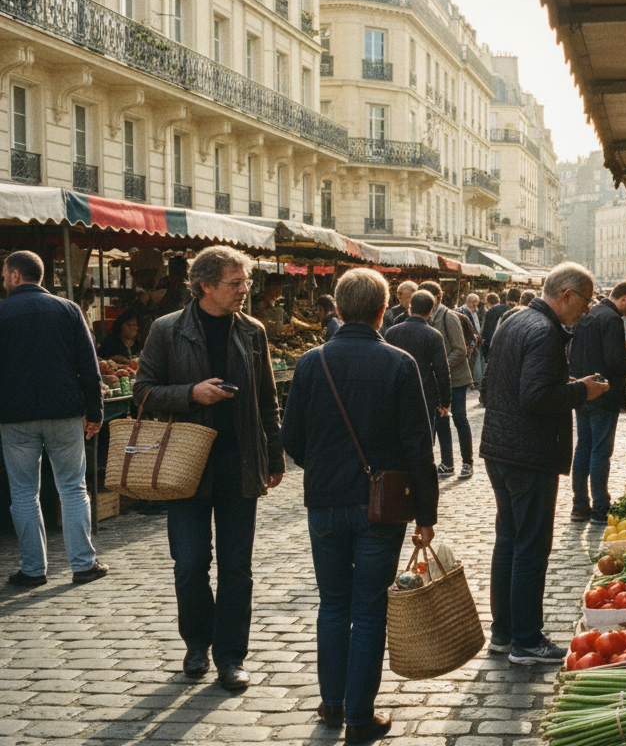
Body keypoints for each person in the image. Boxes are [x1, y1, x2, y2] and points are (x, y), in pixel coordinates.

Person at [281, 268, 438, 742]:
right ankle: (358, 715)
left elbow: (292, 438)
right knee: (368, 608)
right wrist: (426, 515)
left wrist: (323, 467)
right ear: (380, 311)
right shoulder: (398, 363)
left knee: (333, 604)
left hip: (325, 501)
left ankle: (331, 703)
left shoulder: (311, 362)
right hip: (381, 507)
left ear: (339, 308)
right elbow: (418, 445)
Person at [134, 245, 285, 689]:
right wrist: (189, 394)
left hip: (239, 462)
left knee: (237, 567)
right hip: (185, 466)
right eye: (235, 283)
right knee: (190, 563)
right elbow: (142, 390)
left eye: (246, 282)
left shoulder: (253, 330)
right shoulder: (167, 330)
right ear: (205, 286)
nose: (244, 290)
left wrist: (274, 457)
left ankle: (231, 656)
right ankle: (196, 643)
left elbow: (266, 400)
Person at [480, 262, 608, 664]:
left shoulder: (513, 320)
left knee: (509, 541)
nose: (586, 312)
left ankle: (503, 633)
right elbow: (535, 395)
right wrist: (580, 391)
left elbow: (491, 386)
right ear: (567, 295)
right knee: (531, 546)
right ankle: (526, 639)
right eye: (585, 303)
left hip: (500, 448)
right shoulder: (545, 332)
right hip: (527, 452)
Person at [0, 251, 108, 589]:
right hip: (64, 412)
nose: (2, 280)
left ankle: (33, 570)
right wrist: (96, 412)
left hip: (16, 416)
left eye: (4, 274)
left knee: (23, 493)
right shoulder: (69, 310)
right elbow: (89, 369)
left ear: (16, 275)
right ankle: (83, 564)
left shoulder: (2, 312)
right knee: (73, 489)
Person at [568, 280, 626, 522]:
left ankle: (579, 505)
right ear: (624, 299)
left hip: (582, 390)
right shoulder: (611, 319)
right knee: (600, 450)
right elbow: (614, 360)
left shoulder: (587, 315)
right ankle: (600, 506)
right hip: (603, 392)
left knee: (583, 447)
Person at [418, 280, 474, 479]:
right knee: (441, 421)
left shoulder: (448, 316)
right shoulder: (425, 318)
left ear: (438, 298)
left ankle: (467, 462)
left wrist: (440, 367)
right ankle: (447, 463)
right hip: (438, 378)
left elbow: (460, 350)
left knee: (459, 418)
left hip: (456, 378)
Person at [384, 290, 453, 423]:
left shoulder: (391, 332)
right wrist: (444, 401)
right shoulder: (433, 335)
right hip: (424, 392)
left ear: (410, 307)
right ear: (430, 311)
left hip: (396, 392)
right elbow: (442, 371)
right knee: (424, 435)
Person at [251, 274, 290, 339]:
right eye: (277, 287)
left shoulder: (277, 302)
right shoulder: (258, 302)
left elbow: (286, 320)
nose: (279, 290)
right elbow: (263, 323)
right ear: (269, 287)